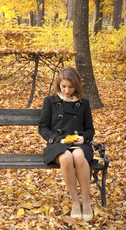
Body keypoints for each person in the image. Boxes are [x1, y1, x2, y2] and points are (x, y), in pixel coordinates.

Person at [38, 67, 94, 221]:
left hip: (79, 144)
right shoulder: (50, 101)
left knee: (77, 154)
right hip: (57, 143)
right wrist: (58, 139)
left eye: (71, 87)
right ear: (59, 85)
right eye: (64, 86)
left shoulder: (83, 103)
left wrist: (84, 137)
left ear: (77, 86)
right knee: (66, 157)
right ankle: (75, 202)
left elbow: (90, 129)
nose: (67, 90)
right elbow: (43, 127)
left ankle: (86, 201)